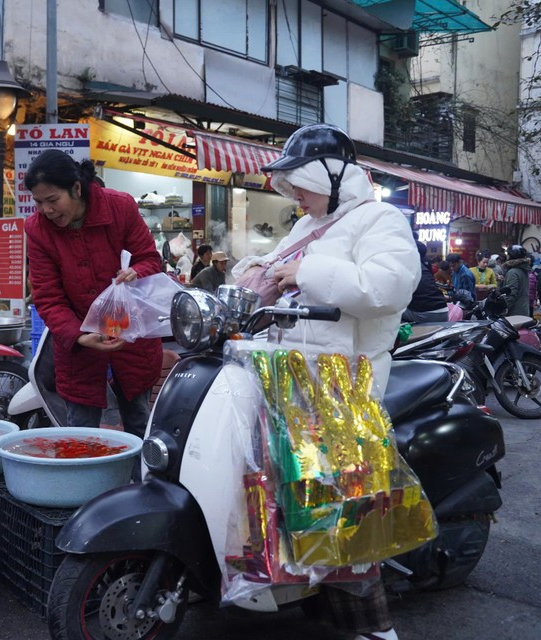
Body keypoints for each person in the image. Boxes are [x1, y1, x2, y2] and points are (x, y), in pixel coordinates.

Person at [232, 124, 420, 640]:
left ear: (330, 176)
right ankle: (303, 589)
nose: (294, 194)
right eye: (290, 185)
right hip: (292, 382)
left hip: (346, 388)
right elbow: (280, 272)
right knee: (298, 500)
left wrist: (306, 272)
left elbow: (386, 288)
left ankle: (374, 627)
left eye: (301, 183)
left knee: (345, 509)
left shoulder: (380, 219)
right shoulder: (306, 226)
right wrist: (258, 273)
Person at [23, 149, 162, 437]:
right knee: (81, 435)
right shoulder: (37, 230)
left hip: (132, 339)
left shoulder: (120, 207)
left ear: (76, 189)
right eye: (38, 202)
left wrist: (136, 272)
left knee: (138, 426)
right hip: (78, 349)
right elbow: (48, 297)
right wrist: (79, 336)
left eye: (53, 200)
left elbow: (150, 259)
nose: (46, 210)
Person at [404, 241, 449, 323]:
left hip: (426, 314)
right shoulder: (426, 264)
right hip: (444, 310)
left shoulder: (406, 267)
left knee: (394, 312)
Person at [502, 245, 533, 318]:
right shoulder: (523, 270)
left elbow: (510, 295)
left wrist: (503, 310)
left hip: (514, 314)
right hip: (523, 311)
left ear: (511, 256)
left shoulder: (513, 272)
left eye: (508, 254)